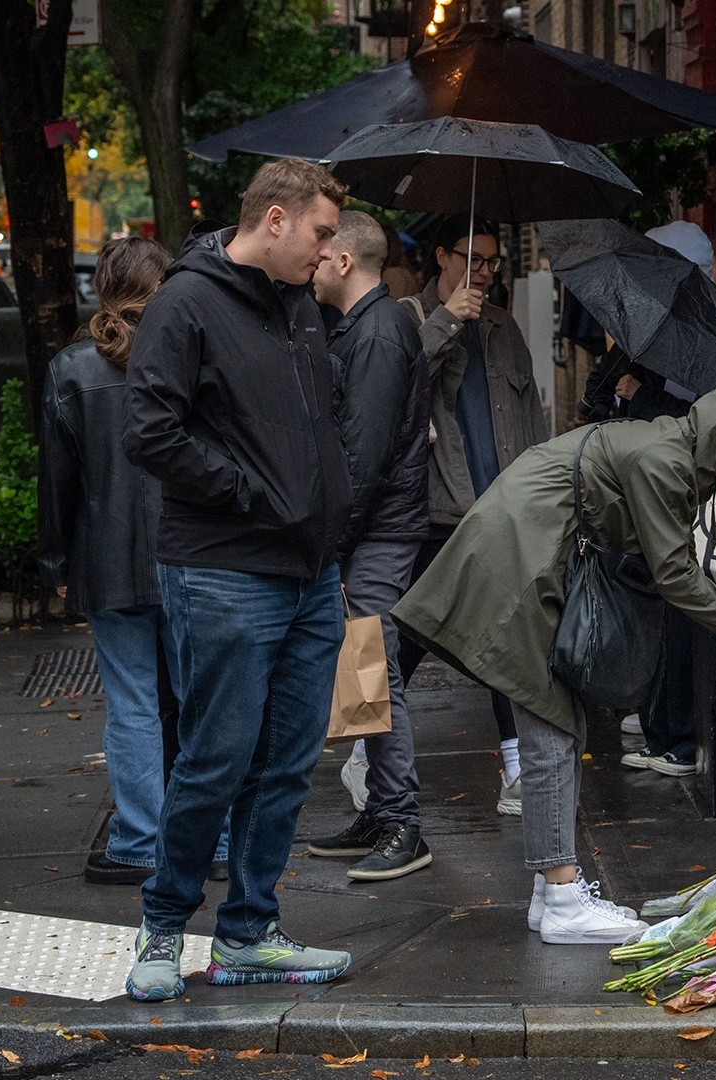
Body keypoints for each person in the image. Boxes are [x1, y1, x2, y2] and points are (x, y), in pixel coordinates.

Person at [391, 380, 716, 943]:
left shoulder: (674, 455)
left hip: (528, 553)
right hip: (518, 562)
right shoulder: (664, 462)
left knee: (558, 728)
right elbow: (674, 575)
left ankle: (553, 893)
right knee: (548, 729)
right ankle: (563, 899)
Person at [121, 159, 355, 1000]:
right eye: (323, 233)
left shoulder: (297, 306)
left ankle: (248, 933)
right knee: (216, 759)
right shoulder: (187, 301)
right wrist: (252, 493)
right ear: (278, 220)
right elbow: (149, 432)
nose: (332, 253)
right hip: (223, 572)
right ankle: (161, 928)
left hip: (308, 574)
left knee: (287, 764)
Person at [39, 236, 230, 886]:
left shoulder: (70, 370)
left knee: (132, 705)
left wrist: (56, 560)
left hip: (107, 560)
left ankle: (141, 839)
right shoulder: (192, 353)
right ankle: (218, 839)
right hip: (191, 552)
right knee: (201, 699)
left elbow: (57, 480)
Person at [398, 214, 549, 815]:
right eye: (471, 258)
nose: (483, 272)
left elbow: (528, 414)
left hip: (501, 504)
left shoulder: (504, 327)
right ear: (441, 255)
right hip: (438, 509)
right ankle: (368, 745)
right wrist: (444, 325)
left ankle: (516, 764)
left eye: (491, 262)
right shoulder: (409, 319)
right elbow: (398, 393)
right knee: (414, 633)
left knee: (502, 629)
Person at [304, 211, 434, 881]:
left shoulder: (380, 334)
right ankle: (383, 813)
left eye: (321, 255)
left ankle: (405, 825)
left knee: (374, 666)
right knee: (364, 669)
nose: (314, 263)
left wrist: (337, 541)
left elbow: (365, 453)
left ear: (346, 262)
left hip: (377, 528)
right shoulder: (366, 327)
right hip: (374, 527)